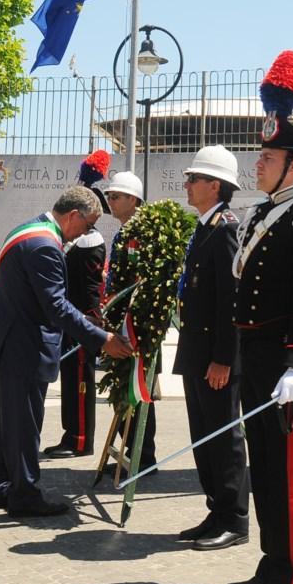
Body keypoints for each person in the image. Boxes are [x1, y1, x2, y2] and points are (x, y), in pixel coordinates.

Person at [224, 51, 293, 584]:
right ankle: (271, 565)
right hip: (256, 358)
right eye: (260, 154)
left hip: (284, 365)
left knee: (289, 475)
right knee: (264, 470)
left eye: (268, 157)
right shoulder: (260, 215)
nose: (258, 164)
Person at [0, 186, 132, 518]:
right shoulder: (46, 245)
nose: (85, 233)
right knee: (23, 425)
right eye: (87, 225)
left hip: (5, 341)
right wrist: (103, 338)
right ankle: (24, 494)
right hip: (24, 347)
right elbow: (58, 307)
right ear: (73, 215)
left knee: (4, 422)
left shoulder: (26, 229)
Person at [173, 145, 249, 551]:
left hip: (215, 356)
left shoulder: (225, 230)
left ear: (214, 186)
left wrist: (224, 357)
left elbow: (230, 303)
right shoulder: (205, 227)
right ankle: (216, 510)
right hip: (196, 349)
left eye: (194, 178)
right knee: (203, 436)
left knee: (224, 437)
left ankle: (234, 519)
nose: (187, 184)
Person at [44, 150, 111, 459]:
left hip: (83, 321)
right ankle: (71, 433)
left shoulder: (88, 240)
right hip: (72, 321)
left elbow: (86, 289)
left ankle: (80, 439)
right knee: (71, 382)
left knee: (80, 383)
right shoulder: (75, 241)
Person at [104, 170, 158, 470]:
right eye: (110, 196)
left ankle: (142, 456)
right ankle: (132, 454)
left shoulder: (141, 232)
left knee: (138, 392)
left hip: (137, 326)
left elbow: (141, 281)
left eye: (116, 196)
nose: (110, 201)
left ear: (133, 199)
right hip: (122, 322)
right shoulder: (125, 231)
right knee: (127, 390)